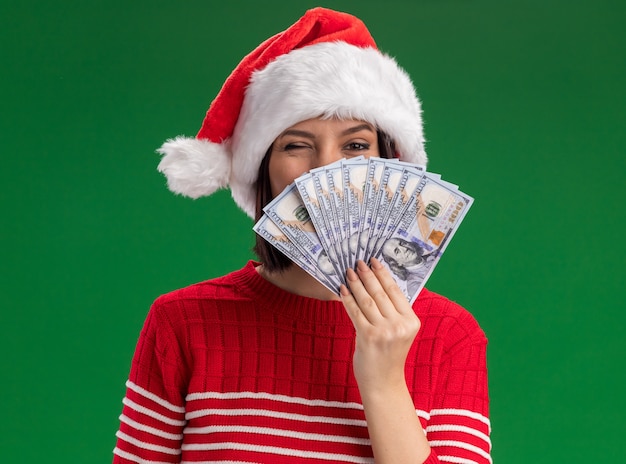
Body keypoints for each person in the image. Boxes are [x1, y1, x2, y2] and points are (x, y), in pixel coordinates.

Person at [113, 7, 491, 464]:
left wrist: (384, 380)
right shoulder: (181, 322)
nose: (326, 168)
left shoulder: (450, 335)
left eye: (355, 145)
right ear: (263, 173)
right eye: (295, 145)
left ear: (390, 167)